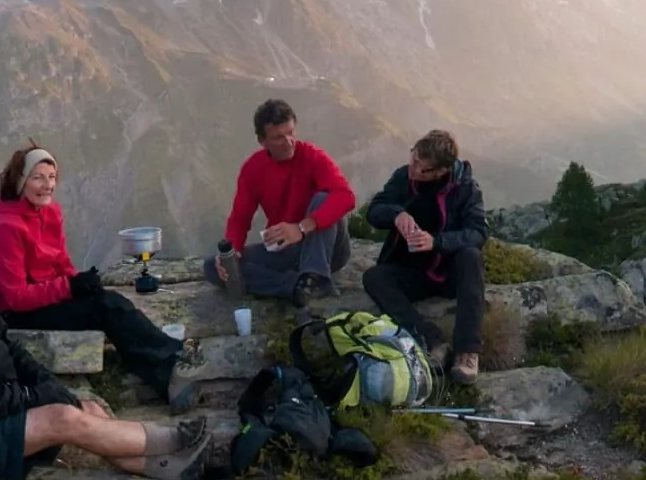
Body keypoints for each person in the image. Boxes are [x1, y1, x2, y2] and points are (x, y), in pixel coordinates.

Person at [0, 211, 214, 480]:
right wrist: (30, 397)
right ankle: (175, 439)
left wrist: (46, 385)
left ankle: (171, 467)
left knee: (87, 408)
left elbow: (7, 347)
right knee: (63, 418)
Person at [0, 141, 208, 412]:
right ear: (20, 181)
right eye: (38, 178)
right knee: (106, 307)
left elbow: (60, 261)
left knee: (105, 301)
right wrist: (69, 287)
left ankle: (166, 374)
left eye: (52, 177)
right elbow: (16, 297)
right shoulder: (5, 227)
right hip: (17, 313)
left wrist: (79, 284)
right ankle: (172, 362)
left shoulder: (49, 212)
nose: (48, 185)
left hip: (44, 299)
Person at [360, 129, 488, 385]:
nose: (414, 168)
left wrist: (436, 242)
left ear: (441, 171)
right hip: (413, 271)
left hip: (449, 273)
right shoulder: (403, 178)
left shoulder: (465, 188)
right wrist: (396, 214)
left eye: (423, 167)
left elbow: (478, 232)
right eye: (414, 158)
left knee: (471, 257)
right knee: (374, 278)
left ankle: (467, 352)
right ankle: (431, 340)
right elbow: (374, 210)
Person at [203, 99, 356, 307]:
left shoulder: (313, 157)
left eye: (291, 132)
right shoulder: (253, 169)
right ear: (262, 140)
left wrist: (302, 227)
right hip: (287, 249)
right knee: (214, 266)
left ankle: (316, 277)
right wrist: (232, 253)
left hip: (327, 248)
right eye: (278, 137)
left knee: (323, 199)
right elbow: (240, 218)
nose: (289, 141)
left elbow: (345, 197)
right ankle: (296, 287)